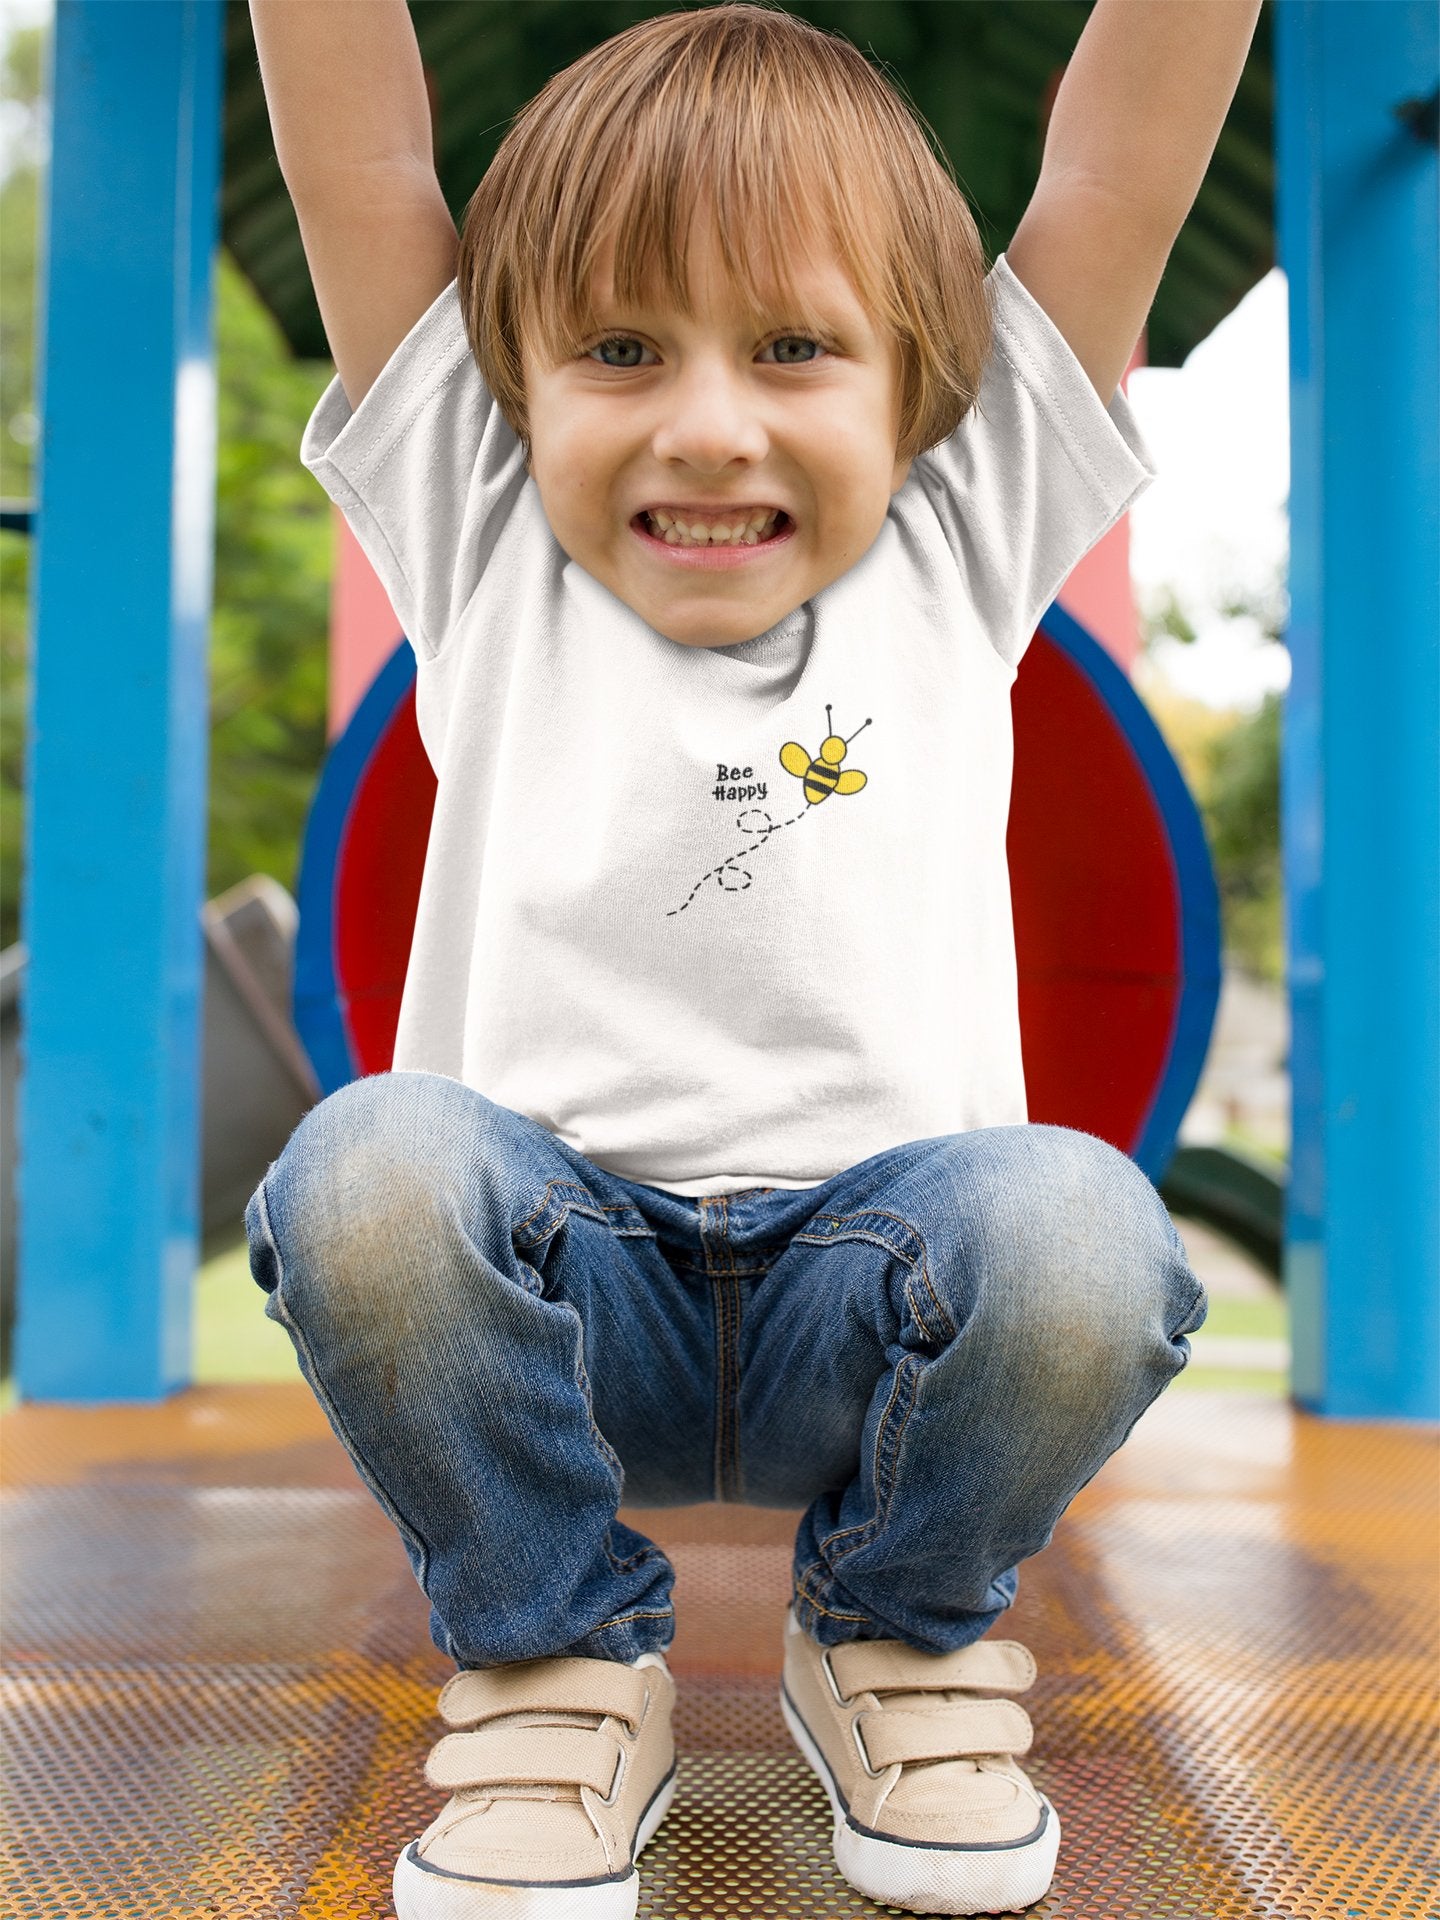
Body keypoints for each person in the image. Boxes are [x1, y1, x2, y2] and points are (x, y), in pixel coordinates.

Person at [245, 3, 1261, 1914]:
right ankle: (557, 1661)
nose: (708, 421)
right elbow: (362, 168)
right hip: (553, 1297)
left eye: (794, 350)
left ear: (920, 389)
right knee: (369, 1165)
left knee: (1084, 1225)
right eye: (619, 351)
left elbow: (1118, 172)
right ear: (513, 391)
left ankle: (889, 1630)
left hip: (880, 1311)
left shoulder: (964, 535)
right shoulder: (483, 540)